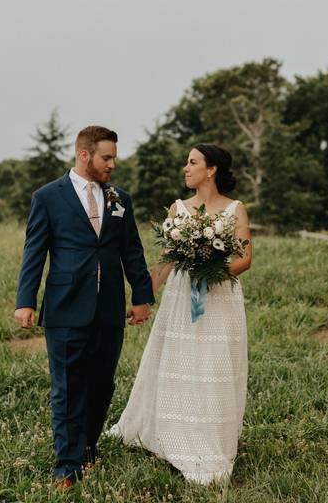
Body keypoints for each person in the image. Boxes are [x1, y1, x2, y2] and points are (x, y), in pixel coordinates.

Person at [14, 125, 154, 486]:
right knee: (67, 387)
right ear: (84, 154)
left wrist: (141, 296)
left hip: (109, 309)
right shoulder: (48, 197)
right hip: (64, 307)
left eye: (114, 158)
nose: (112, 165)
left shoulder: (120, 198)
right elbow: (35, 251)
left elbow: (132, 251)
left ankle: (88, 447)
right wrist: (25, 301)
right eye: (107, 157)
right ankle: (68, 465)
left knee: (101, 384)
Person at [108, 143, 252, 485]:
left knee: (212, 363)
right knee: (178, 361)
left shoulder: (236, 209)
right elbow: (167, 259)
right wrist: (144, 297)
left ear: (211, 169)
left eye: (192, 162)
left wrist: (213, 269)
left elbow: (245, 258)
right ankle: (169, 434)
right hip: (181, 296)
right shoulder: (178, 209)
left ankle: (209, 438)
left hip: (219, 298)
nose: (185, 169)